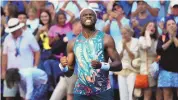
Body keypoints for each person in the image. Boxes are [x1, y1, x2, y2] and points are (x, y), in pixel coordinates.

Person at [59, 8, 122, 100]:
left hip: (103, 90)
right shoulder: (72, 43)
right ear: (80, 19)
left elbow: (119, 65)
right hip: (81, 91)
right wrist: (63, 66)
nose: (88, 16)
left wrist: (101, 65)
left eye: (91, 15)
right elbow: (69, 73)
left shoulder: (106, 39)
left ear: (96, 19)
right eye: (85, 15)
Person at [2, 18, 40, 100]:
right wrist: (3, 71)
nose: (12, 33)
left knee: (25, 96)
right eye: (11, 31)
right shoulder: (7, 38)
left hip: (26, 71)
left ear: (19, 28)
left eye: (14, 31)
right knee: (8, 96)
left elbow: (37, 51)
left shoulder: (29, 36)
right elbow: (4, 55)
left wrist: (35, 66)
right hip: (10, 71)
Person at [50, 18, 82, 100]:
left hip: (77, 73)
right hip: (66, 74)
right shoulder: (66, 36)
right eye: (81, 26)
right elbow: (54, 50)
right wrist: (64, 41)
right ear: (74, 26)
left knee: (71, 95)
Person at [115, 25, 139, 100]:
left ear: (130, 33)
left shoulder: (136, 41)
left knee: (131, 93)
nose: (123, 35)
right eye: (122, 34)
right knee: (123, 94)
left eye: (125, 33)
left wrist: (126, 47)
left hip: (132, 69)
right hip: (122, 69)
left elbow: (133, 57)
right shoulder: (119, 43)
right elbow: (119, 58)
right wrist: (122, 48)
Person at [157, 17, 178, 100]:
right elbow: (159, 50)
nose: (171, 26)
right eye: (169, 24)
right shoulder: (162, 37)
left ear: (176, 26)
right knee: (167, 94)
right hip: (165, 70)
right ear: (166, 27)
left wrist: (173, 36)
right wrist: (170, 39)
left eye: (173, 24)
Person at [138, 22, 159, 100]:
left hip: (156, 67)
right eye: (150, 26)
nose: (152, 27)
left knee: (159, 91)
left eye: (154, 26)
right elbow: (147, 45)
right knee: (148, 93)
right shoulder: (141, 39)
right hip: (146, 68)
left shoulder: (156, 40)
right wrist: (147, 34)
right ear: (145, 27)